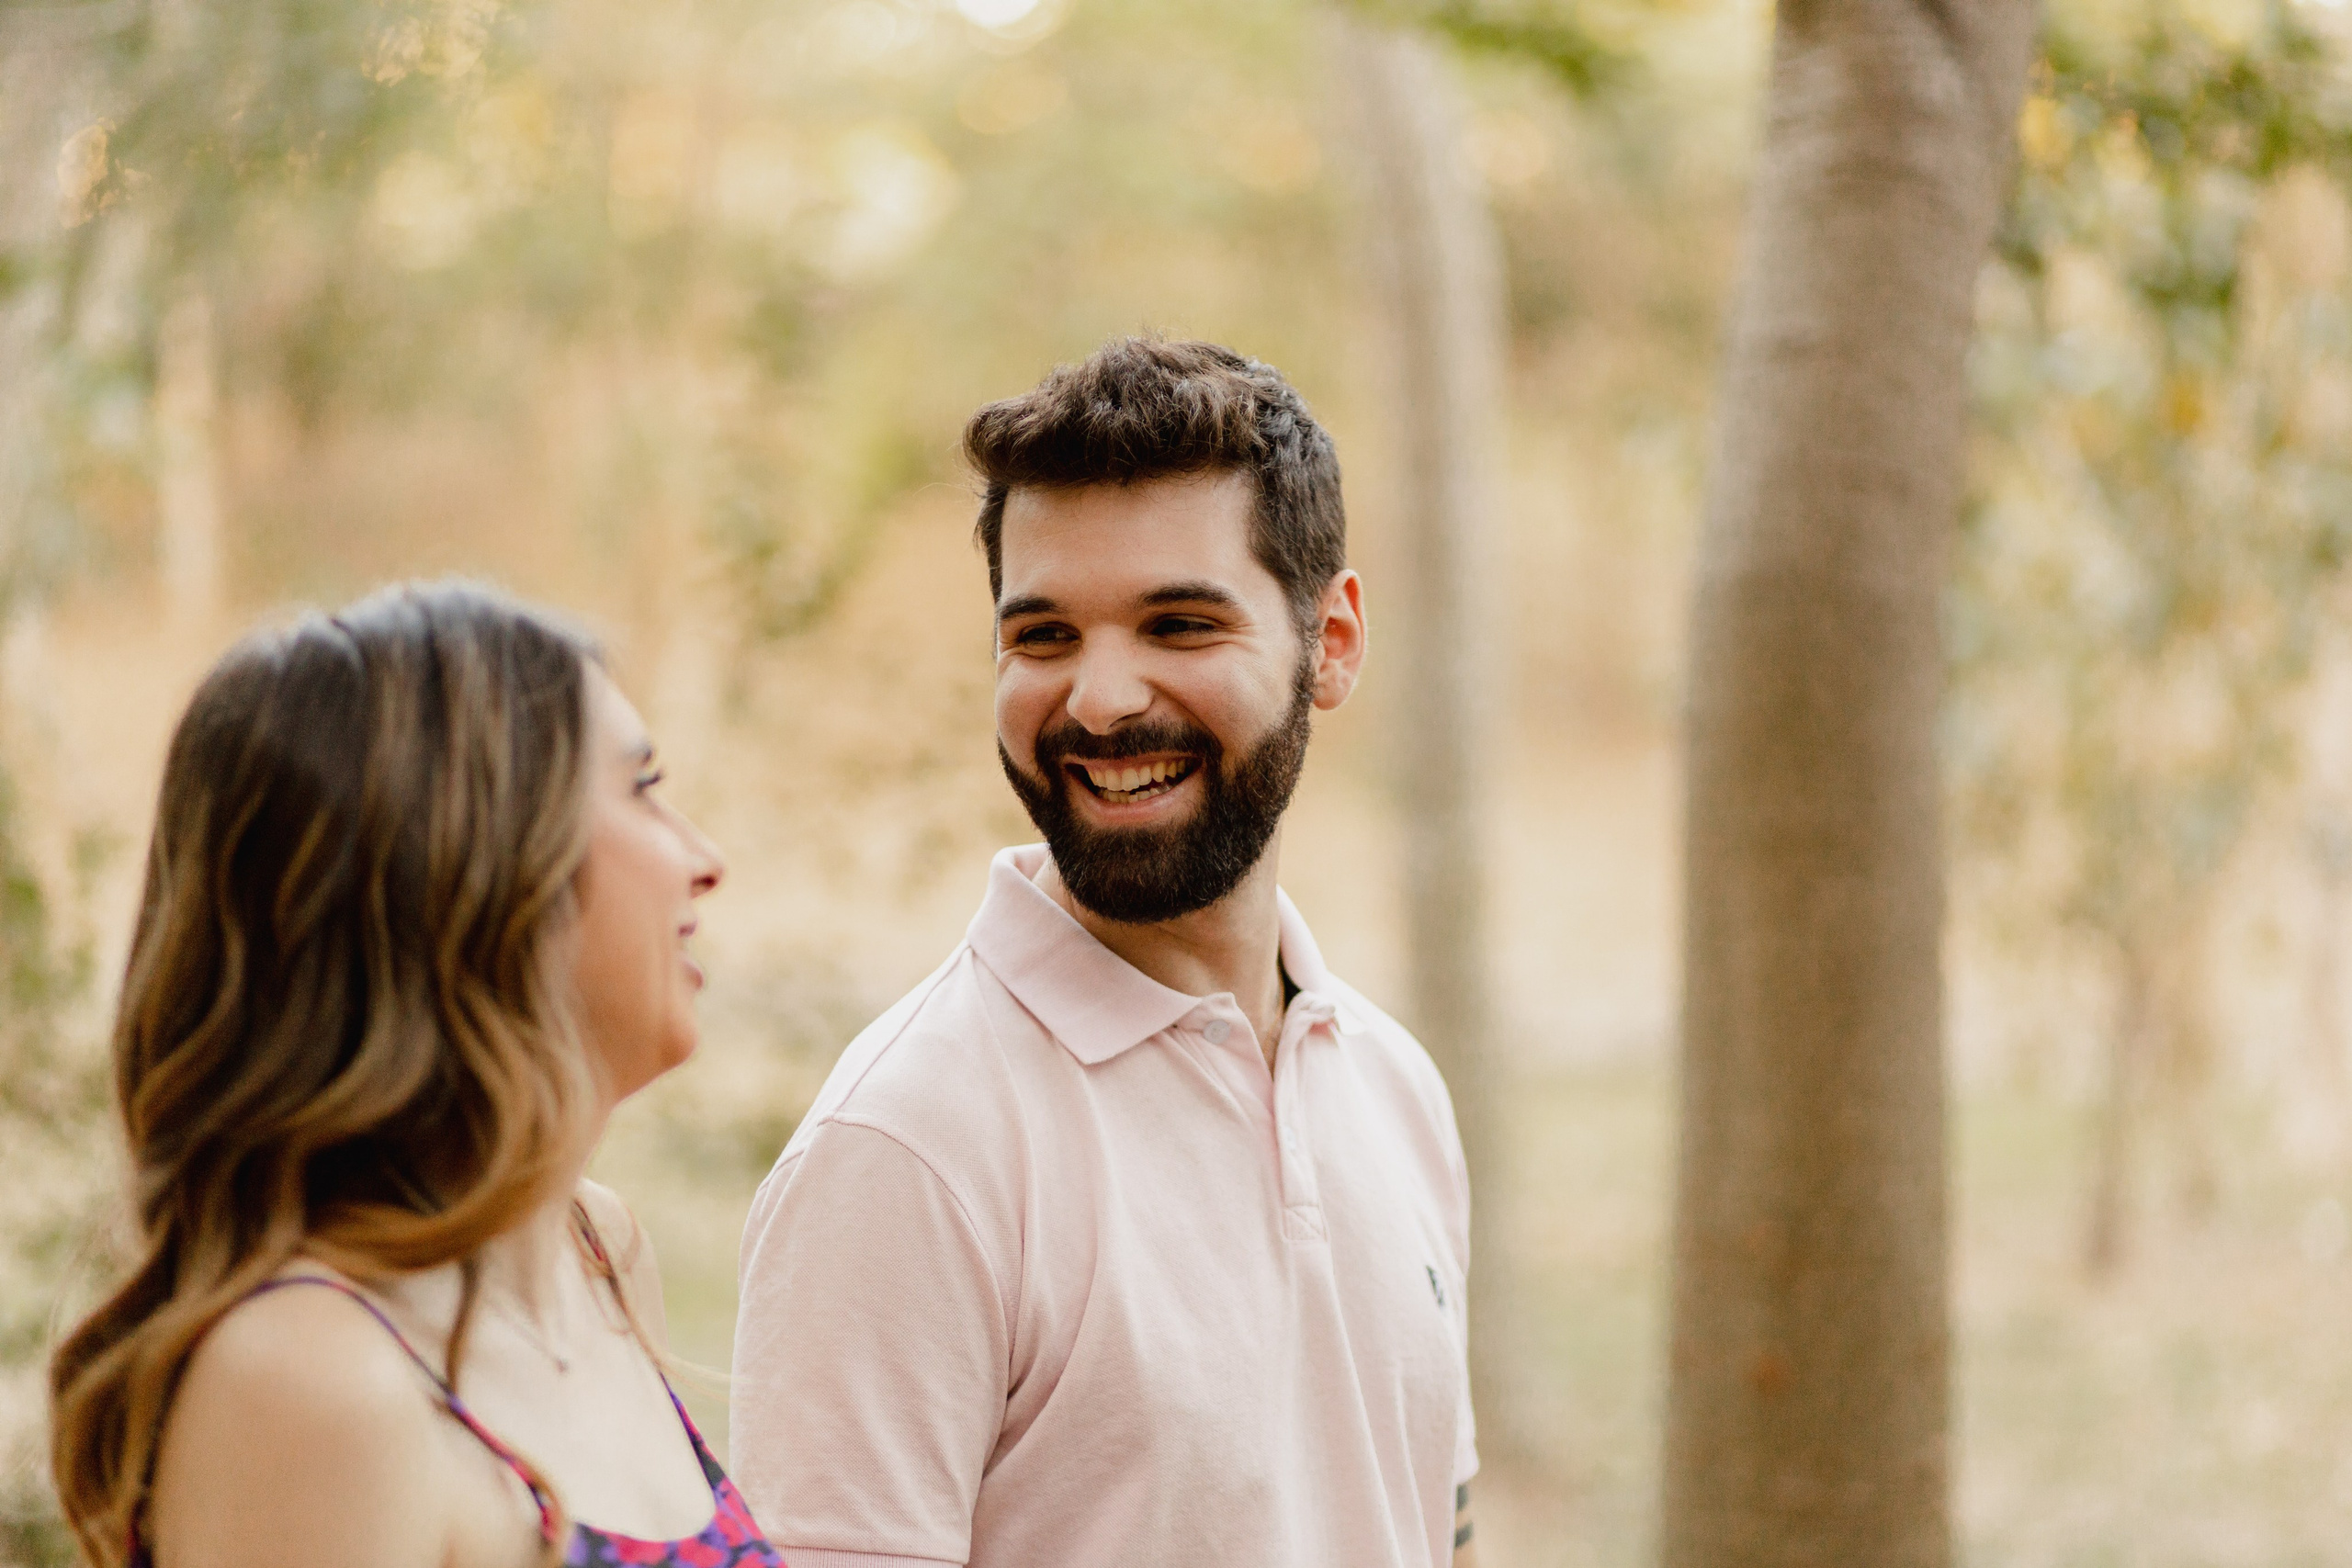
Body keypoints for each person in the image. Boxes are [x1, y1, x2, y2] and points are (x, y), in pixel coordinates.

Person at [732, 338, 1479, 1568]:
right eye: (1044, 636)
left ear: (1330, 639)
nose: (1100, 698)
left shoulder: (1394, 1085)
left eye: (1178, 622)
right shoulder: (906, 1148)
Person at [48, 581, 781, 1568]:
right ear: (468, 868)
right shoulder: (307, 1381)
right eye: (642, 789)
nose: (705, 858)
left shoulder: (596, 1253)